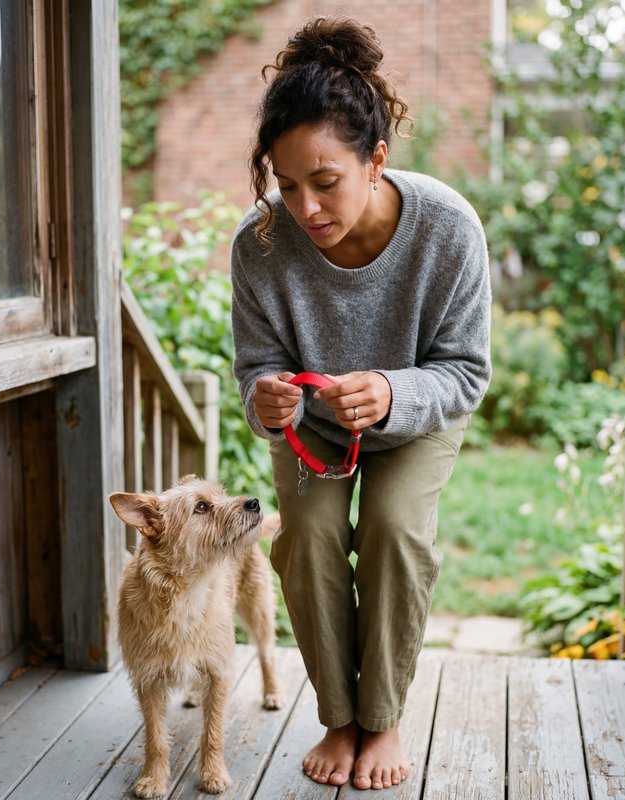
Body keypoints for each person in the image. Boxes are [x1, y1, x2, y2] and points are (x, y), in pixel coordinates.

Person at [230, 15, 492, 792]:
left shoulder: (448, 229)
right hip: (311, 426)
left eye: (326, 181)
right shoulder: (261, 245)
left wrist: (389, 392)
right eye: (287, 184)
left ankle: (382, 718)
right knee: (306, 534)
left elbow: (467, 371)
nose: (305, 207)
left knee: (392, 527)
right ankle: (339, 720)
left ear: (376, 160)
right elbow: (257, 367)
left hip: (417, 411)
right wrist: (265, 399)